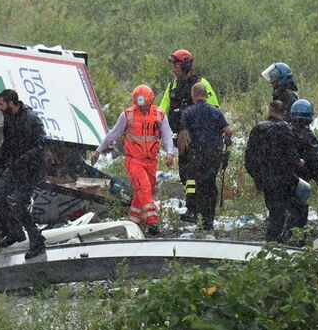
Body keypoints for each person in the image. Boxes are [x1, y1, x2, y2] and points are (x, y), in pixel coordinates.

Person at [90, 85, 174, 235]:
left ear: (151, 101)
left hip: (151, 161)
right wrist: (98, 151)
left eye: (144, 105)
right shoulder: (127, 115)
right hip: (134, 160)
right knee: (144, 188)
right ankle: (152, 222)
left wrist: (169, 153)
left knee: (141, 193)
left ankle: (132, 222)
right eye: (138, 105)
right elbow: (113, 135)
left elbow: (167, 134)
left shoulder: (160, 115)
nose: (141, 109)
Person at [157, 49, 220, 223]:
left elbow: (214, 109)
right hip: (182, 142)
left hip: (201, 143)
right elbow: (162, 110)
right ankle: (192, 208)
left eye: (176, 65)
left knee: (200, 177)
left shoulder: (202, 84)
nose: (173, 69)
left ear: (185, 65)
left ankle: (197, 209)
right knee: (186, 176)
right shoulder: (172, 87)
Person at [0, 89, 48, 260]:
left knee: (20, 206)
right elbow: (7, 142)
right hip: (14, 168)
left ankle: (37, 242)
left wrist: (23, 159)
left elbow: (41, 146)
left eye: (1, 104)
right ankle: (15, 232)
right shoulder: (8, 117)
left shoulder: (30, 119)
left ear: (11, 103)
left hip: (30, 170)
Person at [244, 100, 302, 242]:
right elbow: (292, 156)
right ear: (284, 113)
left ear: (269, 110)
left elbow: (249, 157)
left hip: (266, 177)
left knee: (274, 209)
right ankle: (279, 240)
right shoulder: (286, 129)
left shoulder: (259, 128)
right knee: (284, 211)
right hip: (284, 178)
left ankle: (274, 240)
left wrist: (256, 176)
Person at [179, 82, 232, 230]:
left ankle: (202, 219)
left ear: (193, 95)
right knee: (211, 183)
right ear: (206, 95)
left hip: (198, 153)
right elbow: (228, 131)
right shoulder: (216, 112)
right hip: (215, 153)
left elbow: (183, 136)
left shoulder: (188, 112)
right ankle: (210, 218)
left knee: (200, 185)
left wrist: (182, 154)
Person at [287, 98, 318, 231]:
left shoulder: (285, 130)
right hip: (301, 176)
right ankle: (296, 234)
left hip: (284, 175)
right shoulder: (308, 136)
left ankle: (286, 232)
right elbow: (314, 157)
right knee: (299, 207)